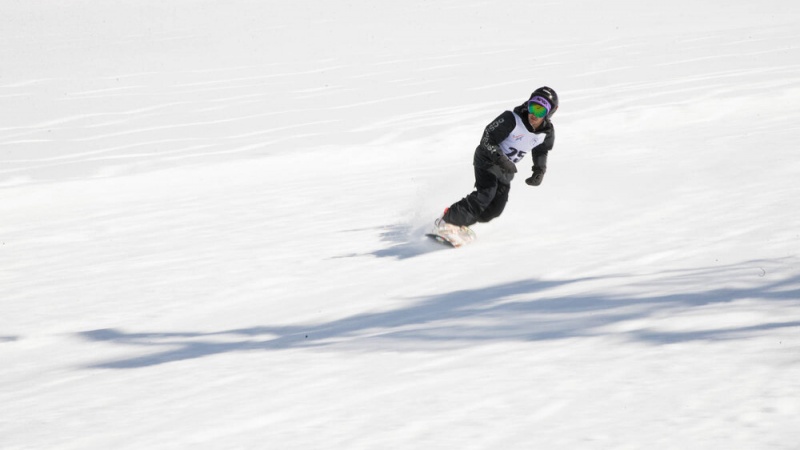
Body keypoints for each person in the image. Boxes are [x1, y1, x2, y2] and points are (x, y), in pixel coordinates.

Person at [435, 86, 559, 233]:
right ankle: (448, 220)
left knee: (494, 210)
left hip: (505, 170)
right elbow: (487, 138)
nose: (534, 114)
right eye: (532, 107)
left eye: (540, 111)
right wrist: (502, 160)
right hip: (487, 159)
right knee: (485, 194)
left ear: (549, 113)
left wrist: (539, 170)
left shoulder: (546, 133)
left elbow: (541, 150)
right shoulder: (511, 119)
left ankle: (461, 223)